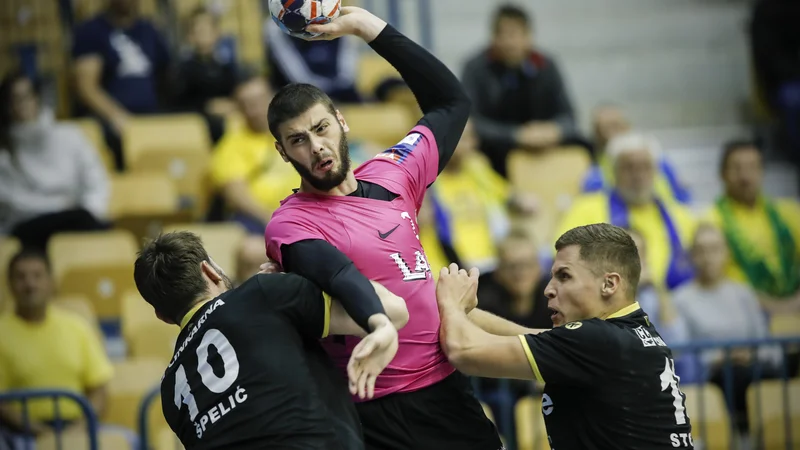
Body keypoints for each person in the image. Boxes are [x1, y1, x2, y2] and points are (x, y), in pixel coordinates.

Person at [263, 7, 503, 449]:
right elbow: (339, 274)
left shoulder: (395, 172)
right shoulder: (290, 223)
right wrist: (380, 323)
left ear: (342, 122)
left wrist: (364, 26)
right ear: (283, 153)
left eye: (321, 128)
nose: (317, 148)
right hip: (374, 408)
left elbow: (453, 102)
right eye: (298, 140)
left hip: (447, 390)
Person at [133, 231, 408, 449]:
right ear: (210, 271)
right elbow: (394, 311)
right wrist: (303, 278)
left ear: (162, 316)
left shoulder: (170, 390)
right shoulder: (262, 293)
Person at [436, 223, 695, 449]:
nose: (548, 289)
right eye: (552, 276)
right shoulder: (632, 333)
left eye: (564, 276)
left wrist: (450, 303)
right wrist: (456, 308)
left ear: (609, 284)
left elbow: (463, 351)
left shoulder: (595, 340)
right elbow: (527, 335)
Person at [0, 249, 113, 438]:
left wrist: (75, 431)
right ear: (9, 284)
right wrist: (42, 433)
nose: (30, 284)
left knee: (129, 440)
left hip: (78, 428)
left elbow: (99, 392)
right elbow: (2, 404)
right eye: (21, 277)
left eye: (37, 276)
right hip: (19, 434)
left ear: (51, 282)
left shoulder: (77, 327)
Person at [461, 4, 579, 177]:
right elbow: (471, 122)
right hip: (495, 152)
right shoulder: (475, 68)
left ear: (529, 36)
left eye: (515, 34)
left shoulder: (546, 65)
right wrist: (516, 135)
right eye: (503, 35)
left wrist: (553, 130)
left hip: (545, 147)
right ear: (493, 37)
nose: (510, 43)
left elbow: (569, 117)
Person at [0, 72, 109, 250]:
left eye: (27, 96)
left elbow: (96, 181)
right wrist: (62, 206)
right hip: (29, 229)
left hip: (77, 220)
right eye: (15, 99)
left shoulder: (70, 135)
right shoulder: (3, 153)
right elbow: (14, 204)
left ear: (37, 98)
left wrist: (90, 211)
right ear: (6, 106)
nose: (22, 105)